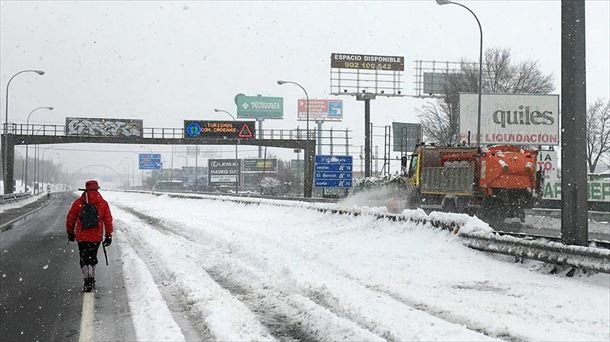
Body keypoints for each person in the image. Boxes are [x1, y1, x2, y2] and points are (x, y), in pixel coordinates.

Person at [66, 180, 113, 292]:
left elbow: (70, 218)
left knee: (83, 257)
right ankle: (92, 277)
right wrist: (108, 235)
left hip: (82, 236)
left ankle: (86, 278)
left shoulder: (78, 203)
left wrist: (70, 232)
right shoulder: (103, 203)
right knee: (92, 256)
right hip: (96, 236)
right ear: (97, 189)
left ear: (86, 188)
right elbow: (108, 220)